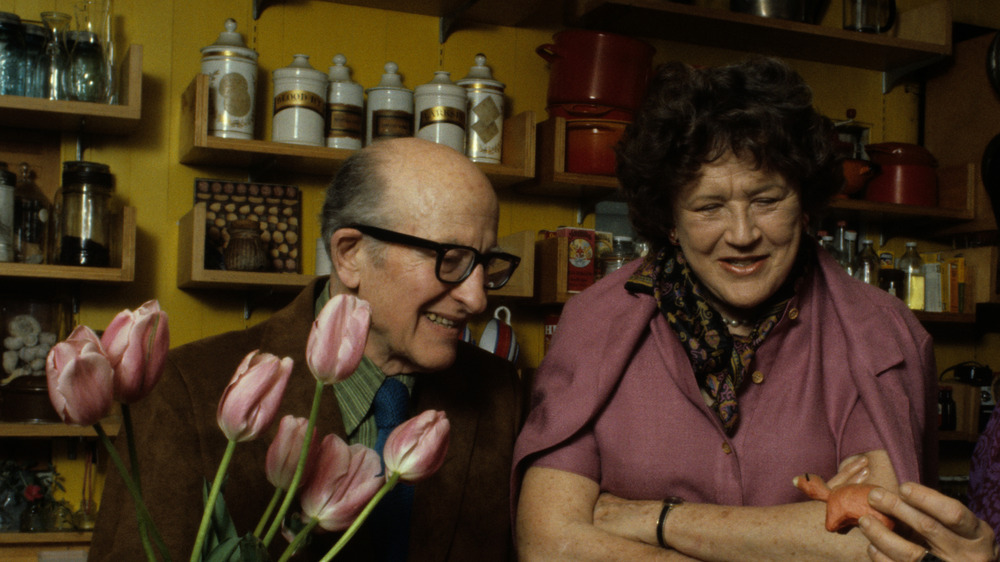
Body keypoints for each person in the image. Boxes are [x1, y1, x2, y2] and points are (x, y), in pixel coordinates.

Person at [512, 57, 937, 561]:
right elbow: (549, 546)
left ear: (804, 207)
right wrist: (797, 539)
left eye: (766, 200)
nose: (742, 235)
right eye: (708, 207)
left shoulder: (877, 331)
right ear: (670, 219)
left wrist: (646, 518)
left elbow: (876, 542)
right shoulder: (595, 323)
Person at [89, 138, 524, 561]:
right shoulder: (186, 389)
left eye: (487, 264)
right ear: (351, 255)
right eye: (450, 260)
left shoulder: (502, 393)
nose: (477, 299)